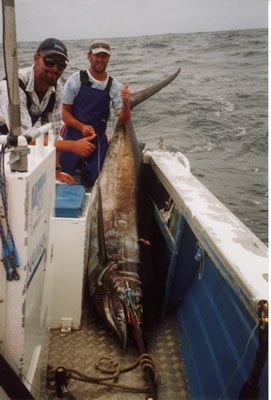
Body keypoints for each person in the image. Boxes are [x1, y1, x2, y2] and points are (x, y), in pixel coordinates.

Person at [0, 38, 96, 184]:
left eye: (61, 65)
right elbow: (23, 137)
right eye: (49, 62)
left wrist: (56, 171)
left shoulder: (56, 89)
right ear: (36, 58)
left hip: (11, 142)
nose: (55, 69)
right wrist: (73, 146)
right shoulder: (13, 86)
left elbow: (53, 136)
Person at [59, 39, 131, 188]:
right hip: (71, 136)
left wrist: (125, 104)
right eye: (97, 55)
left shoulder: (115, 86)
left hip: (97, 141)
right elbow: (64, 113)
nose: (100, 59)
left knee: (95, 184)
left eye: (104, 56)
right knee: (61, 178)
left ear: (108, 59)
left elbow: (124, 120)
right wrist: (81, 127)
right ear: (89, 56)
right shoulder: (75, 80)